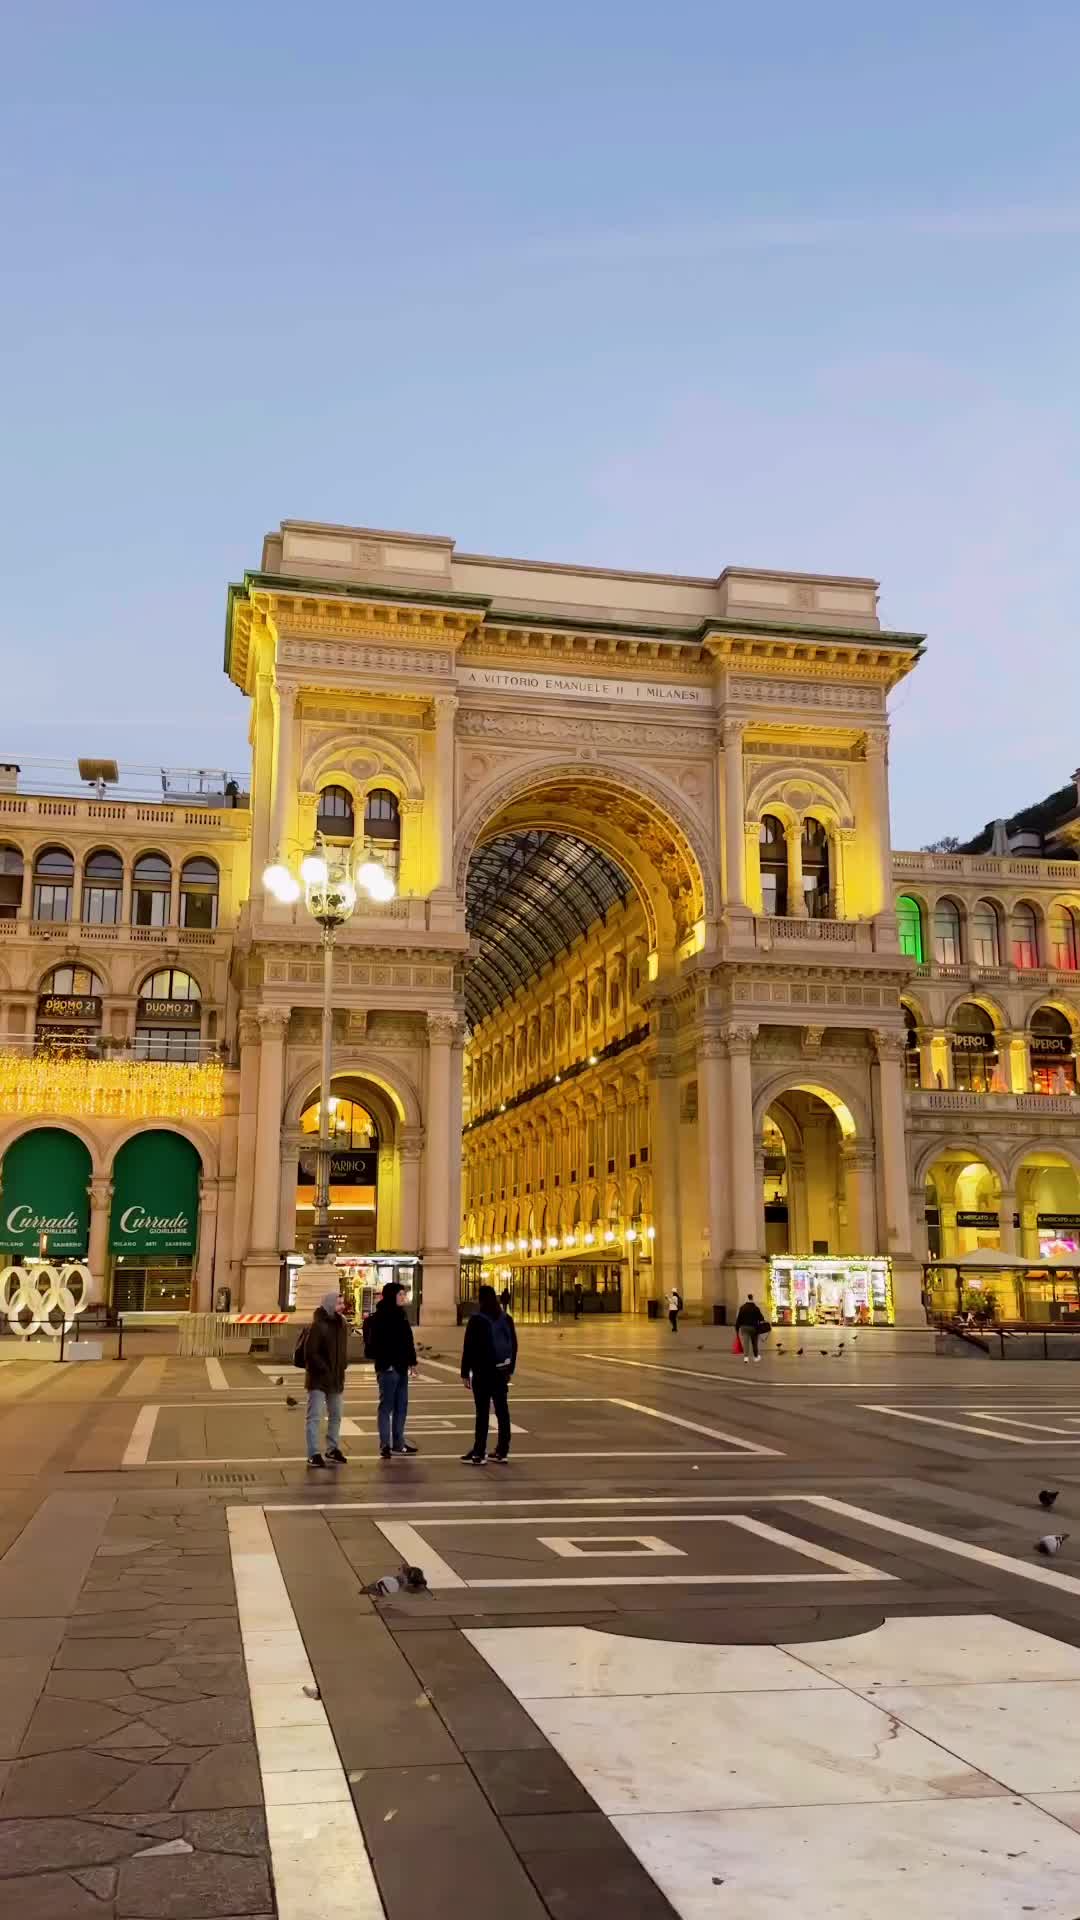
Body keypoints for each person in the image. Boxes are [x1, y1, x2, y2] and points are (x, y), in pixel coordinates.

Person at [460, 1282, 517, 1463]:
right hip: (501, 1371)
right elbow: (514, 1346)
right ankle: (502, 1450)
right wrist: (509, 1369)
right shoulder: (506, 1318)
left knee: (482, 1412)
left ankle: (479, 1451)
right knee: (502, 1411)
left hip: (482, 1372)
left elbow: (468, 1347)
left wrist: (464, 1372)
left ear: (480, 1299)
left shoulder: (477, 1319)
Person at [367, 1279, 418, 1460]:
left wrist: (412, 1361)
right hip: (388, 1369)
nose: (404, 1297)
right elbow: (373, 1345)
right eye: (401, 1294)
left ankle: (398, 1443)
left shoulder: (401, 1315)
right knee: (386, 1407)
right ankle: (385, 1445)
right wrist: (386, 1362)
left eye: (404, 1294)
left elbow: (408, 1340)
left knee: (401, 1407)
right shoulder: (380, 1317)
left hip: (401, 1367)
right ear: (392, 1296)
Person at [304, 1289, 349, 1467]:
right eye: (339, 1303)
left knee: (336, 1415)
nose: (342, 1306)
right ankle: (313, 1453)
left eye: (342, 1303)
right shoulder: (318, 1324)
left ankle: (332, 1448)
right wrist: (325, 1369)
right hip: (319, 1379)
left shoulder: (342, 1323)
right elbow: (311, 1353)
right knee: (315, 1416)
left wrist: (342, 1366)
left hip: (336, 1377)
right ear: (330, 1304)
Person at [735, 1292, 768, 1363]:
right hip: (754, 1328)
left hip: (744, 1327)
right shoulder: (756, 1308)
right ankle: (756, 1357)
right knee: (754, 1343)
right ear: (752, 1298)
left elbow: (739, 1319)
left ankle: (746, 1358)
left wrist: (737, 1328)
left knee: (746, 1343)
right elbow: (761, 1318)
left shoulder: (742, 1308)